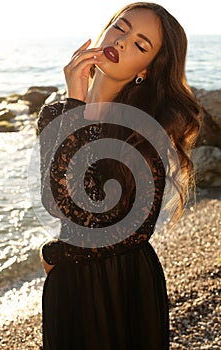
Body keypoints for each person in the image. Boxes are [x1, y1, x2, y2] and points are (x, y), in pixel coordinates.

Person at [37, 2, 201, 349]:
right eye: (121, 28)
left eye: (141, 45)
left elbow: (122, 227)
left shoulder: (143, 130)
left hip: (119, 282)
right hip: (69, 287)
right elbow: (54, 201)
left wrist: (56, 254)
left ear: (147, 69)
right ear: (106, 29)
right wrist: (74, 104)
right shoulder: (60, 112)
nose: (123, 42)